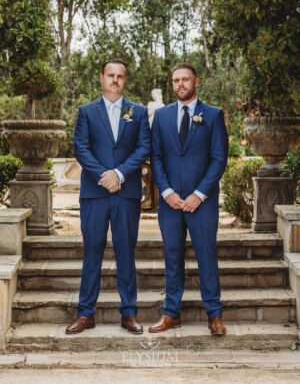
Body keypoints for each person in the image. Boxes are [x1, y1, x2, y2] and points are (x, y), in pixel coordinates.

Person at [66, 59, 150, 335]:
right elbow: (81, 148)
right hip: (95, 193)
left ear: (126, 80)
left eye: (120, 76)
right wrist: (105, 175)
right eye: (110, 75)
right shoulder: (87, 112)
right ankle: (86, 313)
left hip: (126, 194)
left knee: (126, 252)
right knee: (92, 252)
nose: (115, 80)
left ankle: (129, 314)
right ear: (101, 78)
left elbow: (143, 148)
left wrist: (120, 174)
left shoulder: (137, 112)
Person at [149, 63, 228, 335]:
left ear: (196, 82)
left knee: (206, 255)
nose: (180, 84)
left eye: (185, 79)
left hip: (202, 202)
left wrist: (198, 194)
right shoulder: (161, 117)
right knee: (172, 256)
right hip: (170, 204)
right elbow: (156, 157)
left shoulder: (213, 115)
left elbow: (219, 159)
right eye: (175, 80)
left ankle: (214, 315)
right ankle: (171, 313)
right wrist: (168, 192)